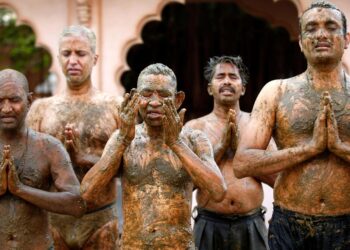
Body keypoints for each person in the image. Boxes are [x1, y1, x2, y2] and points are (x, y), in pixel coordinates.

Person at [233, 1, 350, 249]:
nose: (321, 34)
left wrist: (339, 148)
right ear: (300, 42)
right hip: (289, 226)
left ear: (346, 38)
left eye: (331, 27)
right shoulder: (276, 92)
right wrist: (308, 149)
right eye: (311, 28)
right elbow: (243, 163)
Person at [80, 63, 226, 249]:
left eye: (164, 95)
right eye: (147, 94)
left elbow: (218, 191)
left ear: (178, 99)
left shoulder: (194, 139)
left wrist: (176, 143)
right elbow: (86, 193)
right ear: (135, 97)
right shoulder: (123, 138)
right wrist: (123, 140)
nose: (155, 102)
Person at [26, 25, 122, 249]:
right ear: (58, 57)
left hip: (102, 219)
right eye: (66, 53)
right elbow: (28, 168)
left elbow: (130, 166)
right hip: (53, 220)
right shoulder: (41, 109)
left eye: (81, 53)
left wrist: (85, 158)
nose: (73, 60)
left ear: (94, 58)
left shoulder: (115, 107)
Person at [185, 56, 275, 250]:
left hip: (251, 223)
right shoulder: (194, 128)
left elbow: (278, 179)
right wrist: (219, 150)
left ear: (242, 88)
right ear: (210, 88)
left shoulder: (258, 126)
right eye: (220, 76)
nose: (227, 81)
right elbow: (185, 185)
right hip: (208, 224)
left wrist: (241, 155)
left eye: (233, 76)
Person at [0, 69, 85, 250]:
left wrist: (20, 190)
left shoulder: (49, 147)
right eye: (0, 101)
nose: (6, 108)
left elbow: (77, 204)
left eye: (14, 100)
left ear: (29, 101)